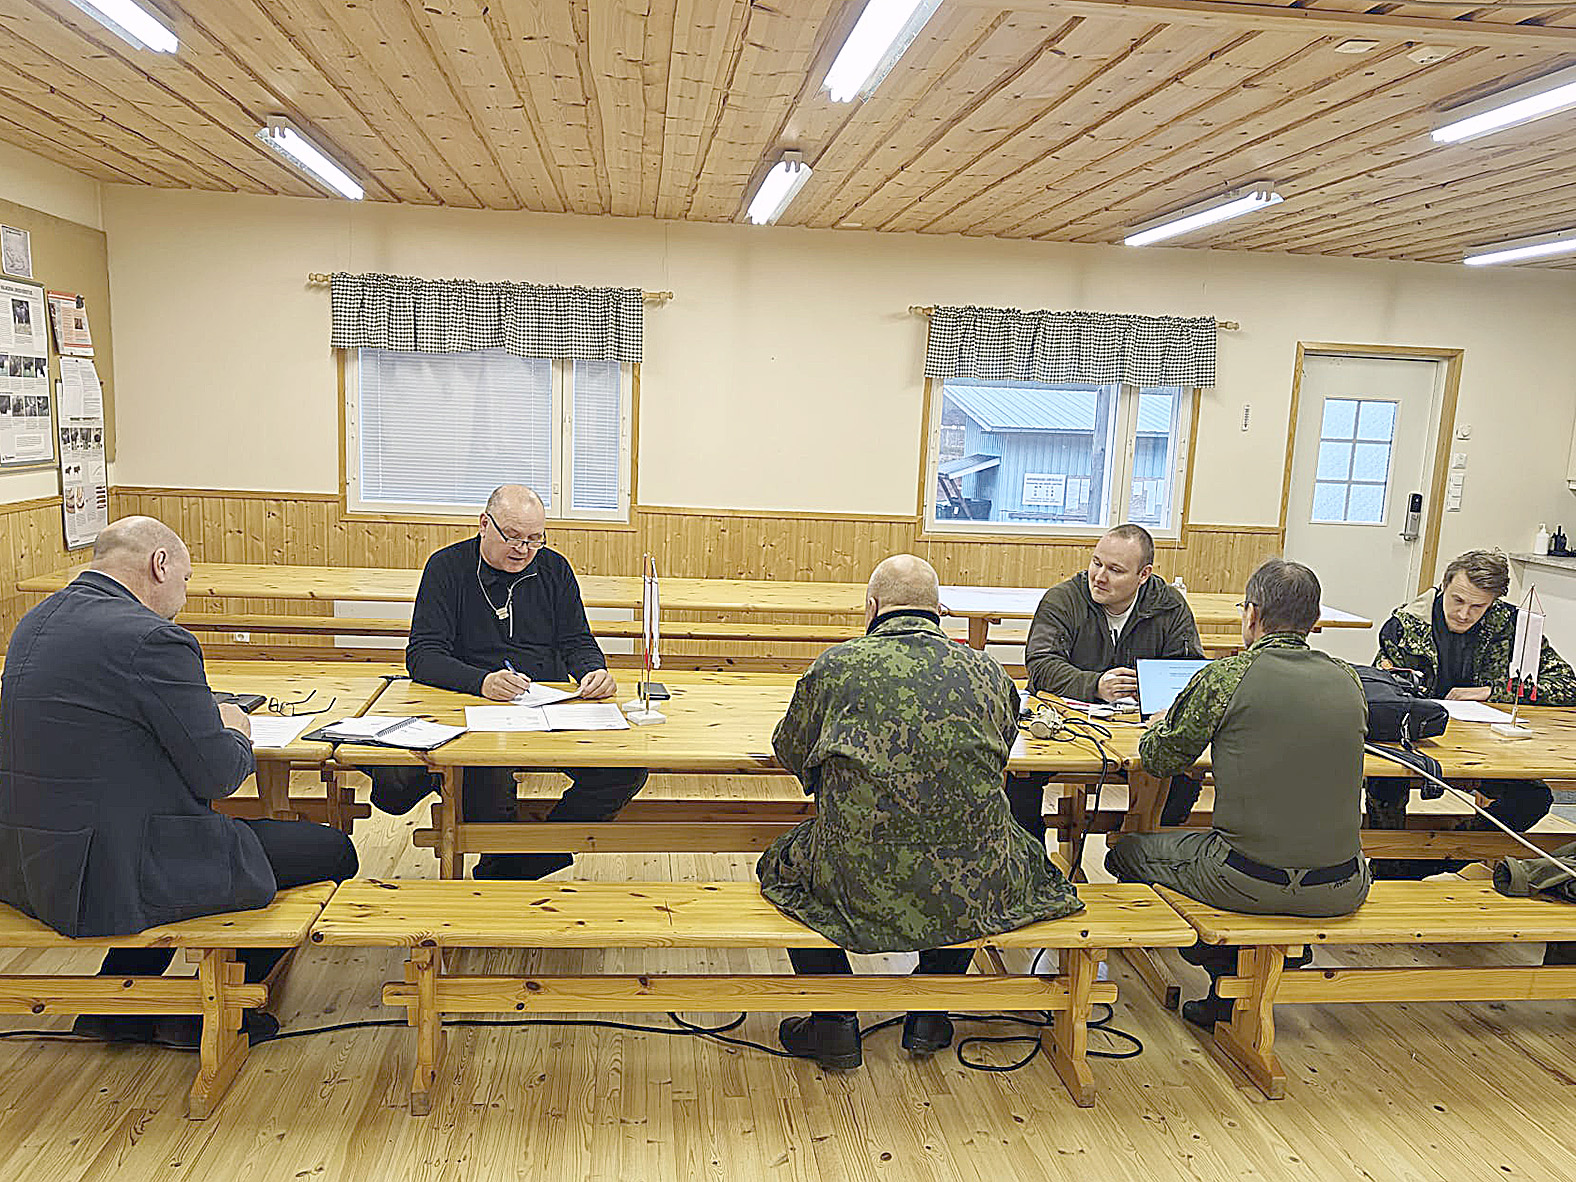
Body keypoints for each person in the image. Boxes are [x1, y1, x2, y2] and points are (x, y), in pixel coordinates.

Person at [0, 516, 358, 1047]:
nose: (184, 596)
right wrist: (235, 728)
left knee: (218, 838)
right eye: (186, 581)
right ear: (159, 564)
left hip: (30, 857)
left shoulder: (37, 621)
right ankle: (214, 1007)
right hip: (115, 864)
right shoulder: (153, 639)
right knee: (332, 850)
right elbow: (219, 775)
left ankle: (117, 1001)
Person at [757, 554, 1083, 1069]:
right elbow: (1002, 749)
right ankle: (930, 1007)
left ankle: (835, 1019)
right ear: (941, 611)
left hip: (856, 871)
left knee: (782, 865)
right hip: (971, 872)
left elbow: (791, 750)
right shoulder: (989, 673)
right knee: (993, 858)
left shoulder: (836, 667)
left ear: (871, 608)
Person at [1106, 559, 1369, 1029]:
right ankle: (1257, 969)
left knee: (1125, 852)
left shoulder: (1228, 676)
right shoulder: (1350, 680)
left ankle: (1226, 968)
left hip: (1247, 878)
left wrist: (1159, 726)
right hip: (1342, 884)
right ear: (1315, 622)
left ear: (1251, 615)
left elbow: (1162, 758)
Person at [365, 484, 647, 880]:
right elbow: (423, 656)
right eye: (513, 537)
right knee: (485, 773)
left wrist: (592, 670)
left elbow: (577, 640)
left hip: (544, 709)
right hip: (472, 708)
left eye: (534, 540)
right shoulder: (447, 568)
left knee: (625, 771)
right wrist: (481, 682)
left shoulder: (554, 569)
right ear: (484, 524)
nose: (523, 550)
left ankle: (525, 859)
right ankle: (498, 860)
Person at [1367, 549, 1576, 883]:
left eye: (1477, 606)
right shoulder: (1407, 624)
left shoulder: (1511, 625)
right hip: (1419, 744)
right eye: (1457, 600)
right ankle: (1389, 868)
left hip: (1488, 748)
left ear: (1493, 602)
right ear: (1443, 587)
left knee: (1534, 797)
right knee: (1384, 782)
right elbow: (1382, 692)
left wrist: (1492, 691)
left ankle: (1444, 857)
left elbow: (1567, 685)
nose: (1464, 614)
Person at [1015, 523, 1205, 841]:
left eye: (1115, 570)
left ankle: (1136, 851)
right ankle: (1033, 864)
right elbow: (1040, 664)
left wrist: (1152, 695)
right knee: (1019, 776)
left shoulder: (1169, 606)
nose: (1100, 577)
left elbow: (1190, 672)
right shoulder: (1063, 600)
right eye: (1096, 563)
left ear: (1143, 575)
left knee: (1187, 773)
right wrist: (1095, 685)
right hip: (1063, 725)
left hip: (1138, 726)